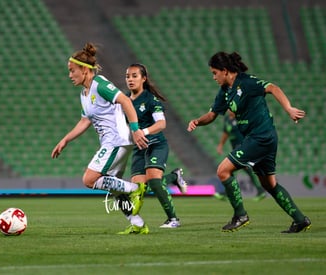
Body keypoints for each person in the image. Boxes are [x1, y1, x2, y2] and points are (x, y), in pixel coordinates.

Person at [187, 51, 311, 233]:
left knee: (223, 171)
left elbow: (273, 88)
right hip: (262, 138)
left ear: (225, 70)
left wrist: (289, 108)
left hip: (260, 137)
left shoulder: (247, 82)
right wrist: (197, 121)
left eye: (214, 73)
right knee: (269, 185)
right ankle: (300, 220)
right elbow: (212, 115)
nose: (213, 77)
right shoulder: (225, 92)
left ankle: (240, 215)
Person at [51, 43, 148, 232]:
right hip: (112, 142)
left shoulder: (100, 84)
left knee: (89, 179)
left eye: (72, 71)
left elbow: (125, 100)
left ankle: (135, 188)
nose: (70, 75)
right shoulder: (84, 93)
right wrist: (65, 140)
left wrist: (136, 129)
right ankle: (138, 224)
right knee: (113, 187)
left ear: (85, 70)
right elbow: (84, 121)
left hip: (117, 140)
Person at [117, 63, 187, 233]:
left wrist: (143, 131)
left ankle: (173, 219)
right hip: (139, 149)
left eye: (134, 76)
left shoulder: (150, 99)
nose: (130, 79)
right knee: (136, 190)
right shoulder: (124, 101)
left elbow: (162, 123)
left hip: (156, 144)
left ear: (143, 79)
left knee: (154, 181)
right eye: (128, 76)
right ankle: (174, 177)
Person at [215, 110, 266, 201]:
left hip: (242, 148)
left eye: (230, 108)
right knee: (242, 170)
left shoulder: (241, 118)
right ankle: (260, 190)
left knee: (229, 169)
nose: (229, 110)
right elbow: (226, 133)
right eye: (228, 108)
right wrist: (220, 145)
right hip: (235, 149)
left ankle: (227, 192)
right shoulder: (227, 119)